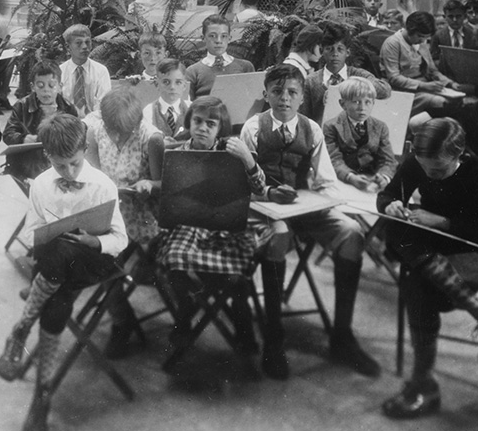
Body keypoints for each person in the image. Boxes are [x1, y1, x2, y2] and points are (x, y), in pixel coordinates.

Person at [0, 113, 128, 431]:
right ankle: (42, 396)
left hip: (94, 260)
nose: (68, 172)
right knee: (56, 301)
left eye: (74, 163)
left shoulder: (102, 185)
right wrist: (45, 235)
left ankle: (21, 327)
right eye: (60, 166)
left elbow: (120, 238)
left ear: (84, 149)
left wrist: (93, 241)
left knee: (62, 256)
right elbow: (30, 228)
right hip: (57, 269)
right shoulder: (40, 184)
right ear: (47, 158)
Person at [241, 65, 379, 379]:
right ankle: (273, 339)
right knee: (277, 236)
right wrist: (270, 195)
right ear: (266, 94)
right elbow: (243, 182)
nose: (284, 99)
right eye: (277, 92)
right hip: (266, 207)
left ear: (303, 98)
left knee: (352, 233)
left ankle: (342, 337)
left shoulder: (312, 130)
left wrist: (334, 205)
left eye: (292, 92)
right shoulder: (252, 127)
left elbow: (326, 180)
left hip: (306, 204)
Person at [378, 118, 478, 419]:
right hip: (435, 249)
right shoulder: (422, 159)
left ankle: (423, 384)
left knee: (419, 286)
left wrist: (445, 223)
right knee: (397, 233)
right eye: (425, 168)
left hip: (477, 252)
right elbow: (387, 195)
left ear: (459, 154)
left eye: (439, 170)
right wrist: (391, 205)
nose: (431, 175)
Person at [152, 96, 274, 360]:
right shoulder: (178, 153)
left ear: (220, 128)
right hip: (187, 227)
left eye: (211, 123)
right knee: (173, 260)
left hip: (226, 228)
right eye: (197, 121)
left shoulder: (231, 152)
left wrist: (248, 160)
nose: (202, 128)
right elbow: (170, 199)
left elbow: (260, 189)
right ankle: (185, 314)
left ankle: (243, 330)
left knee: (237, 277)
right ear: (189, 122)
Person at [83, 88, 165, 358]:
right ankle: (118, 309)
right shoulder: (95, 132)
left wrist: (149, 184)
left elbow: (165, 185)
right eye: (113, 129)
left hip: (141, 215)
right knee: (76, 245)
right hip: (109, 208)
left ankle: (121, 321)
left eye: (125, 131)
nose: (117, 137)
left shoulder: (151, 138)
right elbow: (92, 173)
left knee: (101, 261)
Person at [3, 60, 79, 180]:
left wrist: (54, 117)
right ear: (33, 87)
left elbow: (77, 137)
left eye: (52, 85)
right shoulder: (22, 106)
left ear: (60, 86)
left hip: (58, 157)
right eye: (40, 86)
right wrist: (22, 139)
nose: (46, 90)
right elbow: (8, 134)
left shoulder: (68, 107)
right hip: (29, 159)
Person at [302, 25, 391, 122]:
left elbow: (385, 91)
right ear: (322, 51)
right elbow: (303, 118)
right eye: (329, 49)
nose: (335, 54)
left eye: (340, 49)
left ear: (347, 52)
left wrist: (347, 87)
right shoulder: (310, 81)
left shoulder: (359, 75)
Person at [380, 11, 461, 117]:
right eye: (420, 36)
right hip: (401, 90)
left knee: (457, 101)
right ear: (410, 29)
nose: (422, 40)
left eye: (425, 37)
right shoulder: (393, 43)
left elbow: (432, 70)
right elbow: (394, 78)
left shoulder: (420, 42)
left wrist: (449, 83)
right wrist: (424, 86)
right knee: (441, 102)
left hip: (422, 86)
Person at [323, 77, 396, 192]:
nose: (362, 108)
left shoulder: (380, 126)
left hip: (372, 180)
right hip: (343, 179)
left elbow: (387, 159)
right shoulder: (331, 127)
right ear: (343, 104)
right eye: (356, 102)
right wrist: (350, 177)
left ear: (373, 103)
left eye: (368, 102)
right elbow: (334, 159)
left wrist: (384, 176)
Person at [186, 15, 255, 98]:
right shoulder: (193, 71)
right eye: (212, 36)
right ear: (203, 38)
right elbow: (187, 105)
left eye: (224, 36)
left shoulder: (245, 67)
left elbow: (252, 98)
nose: (218, 41)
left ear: (229, 38)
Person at [59, 24, 111, 117]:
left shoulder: (101, 71)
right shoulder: (60, 72)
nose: (84, 46)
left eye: (87, 42)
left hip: (93, 123)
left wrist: (88, 123)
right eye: (78, 43)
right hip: (66, 124)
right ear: (68, 47)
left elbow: (104, 104)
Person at [144, 58, 190, 145]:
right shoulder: (148, 111)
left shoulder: (191, 109)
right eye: (166, 82)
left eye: (178, 82)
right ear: (157, 84)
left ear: (184, 86)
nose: (172, 87)